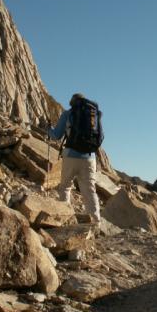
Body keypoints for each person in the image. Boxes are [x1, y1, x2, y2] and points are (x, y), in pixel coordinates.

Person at [48, 93, 102, 223]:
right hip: (89, 157)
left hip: (71, 155)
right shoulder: (93, 115)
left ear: (72, 102)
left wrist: (48, 129)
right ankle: (96, 222)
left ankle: (65, 219)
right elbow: (100, 136)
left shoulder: (68, 114)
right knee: (90, 191)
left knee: (65, 187)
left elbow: (56, 135)